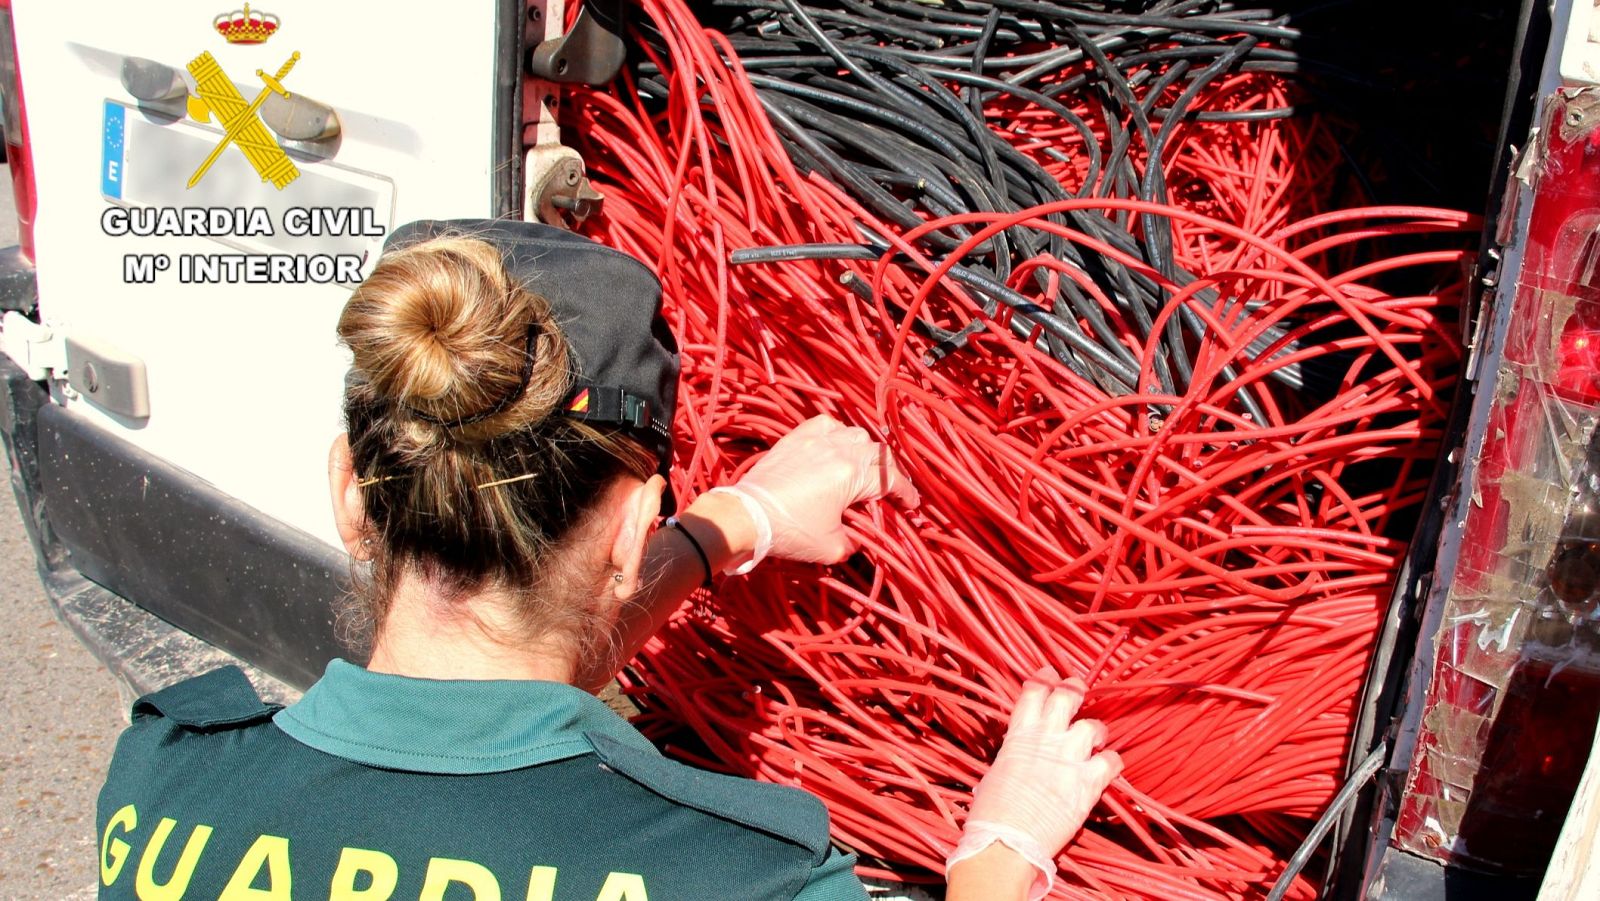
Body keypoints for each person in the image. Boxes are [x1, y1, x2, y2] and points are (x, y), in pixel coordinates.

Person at [95, 220, 1120, 901]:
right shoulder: (737, 874)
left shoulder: (161, 786)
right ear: (630, 529)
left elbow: (481, 720)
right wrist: (1006, 844)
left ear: (350, 499)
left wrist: (727, 525)